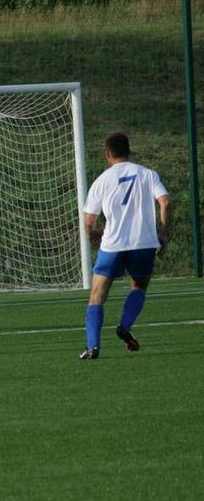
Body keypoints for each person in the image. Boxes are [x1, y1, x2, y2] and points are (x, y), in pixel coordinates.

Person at [79, 133, 171, 360]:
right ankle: (125, 325)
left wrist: (93, 233)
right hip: (144, 243)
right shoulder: (148, 174)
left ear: (108, 154)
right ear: (129, 151)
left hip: (113, 244)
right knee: (138, 287)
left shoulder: (102, 180)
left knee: (97, 297)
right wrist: (164, 232)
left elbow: (89, 220)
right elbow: (165, 201)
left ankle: (93, 347)